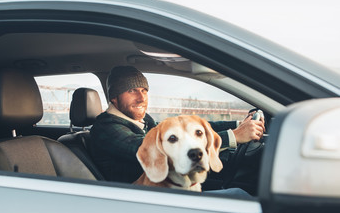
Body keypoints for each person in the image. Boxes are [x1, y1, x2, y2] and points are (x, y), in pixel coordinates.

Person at [88, 66, 265, 184]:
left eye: (144, 90)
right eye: (131, 90)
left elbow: (188, 130)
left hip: (171, 188)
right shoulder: (106, 129)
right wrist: (233, 136)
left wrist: (238, 125)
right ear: (114, 98)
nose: (141, 98)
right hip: (144, 202)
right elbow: (156, 151)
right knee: (240, 197)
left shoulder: (142, 121)